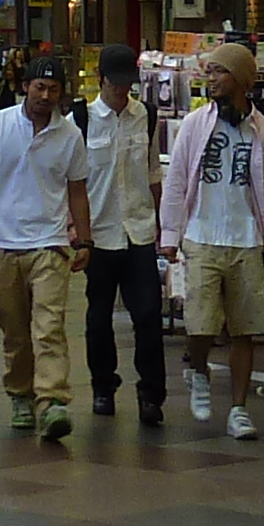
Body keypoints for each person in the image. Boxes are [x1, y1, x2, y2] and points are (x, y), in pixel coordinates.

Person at [157, 42, 264, 441]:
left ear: (240, 78)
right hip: (200, 236)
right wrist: (170, 235)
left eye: (219, 72)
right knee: (199, 325)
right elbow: (177, 180)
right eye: (210, 71)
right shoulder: (195, 125)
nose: (211, 79)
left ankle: (238, 408)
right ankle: (197, 370)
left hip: (247, 240)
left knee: (244, 328)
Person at [0, 54, 90, 440]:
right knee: (14, 330)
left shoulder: (70, 136)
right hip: (3, 244)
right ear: (25, 87)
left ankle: (52, 402)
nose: (45, 95)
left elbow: (77, 191)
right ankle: (20, 395)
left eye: (53, 90)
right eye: (39, 87)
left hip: (49, 244)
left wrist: (84, 239)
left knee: (49, 326)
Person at [76, 43, 167, 424]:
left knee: (147, 315)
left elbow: (153, 176)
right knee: (98, 318)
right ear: (101, 80)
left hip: (139, 232)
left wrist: (165, 226)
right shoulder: (79, 120)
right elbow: (72, 182)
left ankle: (151, 394)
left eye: (127, 84)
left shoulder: (146, 116)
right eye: (115, 84)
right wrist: (75, 231)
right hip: (99, 234)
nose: (121, 92)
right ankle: (102, 386)